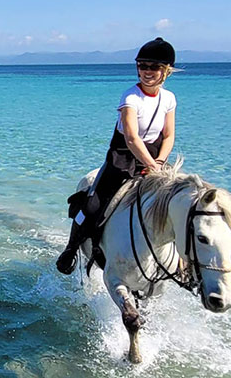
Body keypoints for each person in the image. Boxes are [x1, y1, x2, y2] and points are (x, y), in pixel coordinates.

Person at [57, 37, 178, 275]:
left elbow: (169, 135)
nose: (147, 71)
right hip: (122, 159)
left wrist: (160, 163)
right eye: (142, 66)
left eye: (154, 67)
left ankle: (183, 263)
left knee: (180, 205)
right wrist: (151, 165)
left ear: (166, 71)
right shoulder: (130, 97)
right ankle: (71, 249)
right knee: (91, 207)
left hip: (156, 160)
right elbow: (132, 138)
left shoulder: (169, 99)